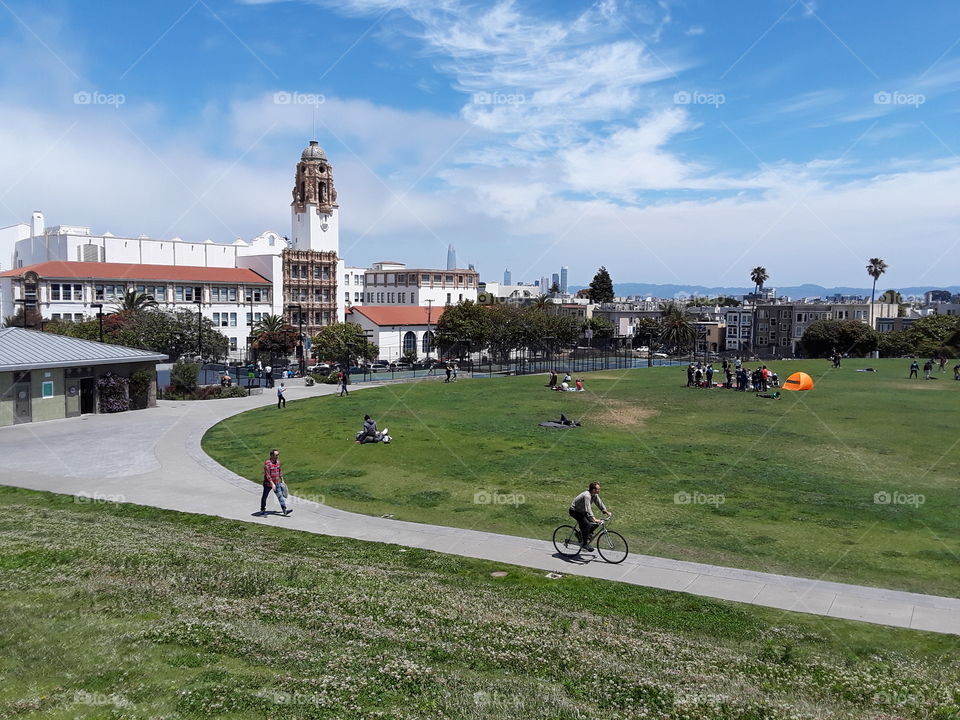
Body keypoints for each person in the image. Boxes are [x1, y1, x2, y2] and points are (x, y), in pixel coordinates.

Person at [568, 482, 611, 552]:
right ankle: (585, 544)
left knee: (596, 523)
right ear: (593, 489)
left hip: (582, 511)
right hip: (575, 511)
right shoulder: (587, 496)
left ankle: (580, 534)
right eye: (598, 489)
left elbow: (599, 503)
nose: (599, 490)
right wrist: (594, 519)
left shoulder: (595, 495)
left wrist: (605, 511)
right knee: (587, 525)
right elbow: (588, 509)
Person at [260, 449, 292, 516]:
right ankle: (262, 509)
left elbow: (279, 471)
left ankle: (284, 510)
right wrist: (272, 484)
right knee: (264, 497)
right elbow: (267, 475)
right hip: (268, 484)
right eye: (276, 455)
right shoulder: (267, 463)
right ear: (272, 455)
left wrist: (282, 480)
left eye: (278, 455)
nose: (278, 456)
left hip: (277, 482)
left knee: (280, 496)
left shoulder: (278, 462)